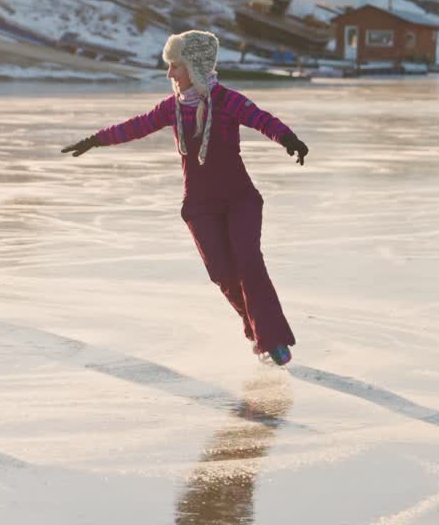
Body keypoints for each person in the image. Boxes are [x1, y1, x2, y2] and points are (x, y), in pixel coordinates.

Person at [61, 31, 309, 366]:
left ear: (194, 66)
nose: (170, 74)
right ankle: (255, 327)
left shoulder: (226, 100)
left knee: (249, 264)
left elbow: (260, 119)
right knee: (223, 273)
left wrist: (288, 138)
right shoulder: (172, 108)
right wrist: (95, 140)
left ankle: (273, 339)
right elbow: (136, 126)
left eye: (175, 66)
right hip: (200, 206)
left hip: (239, 199)